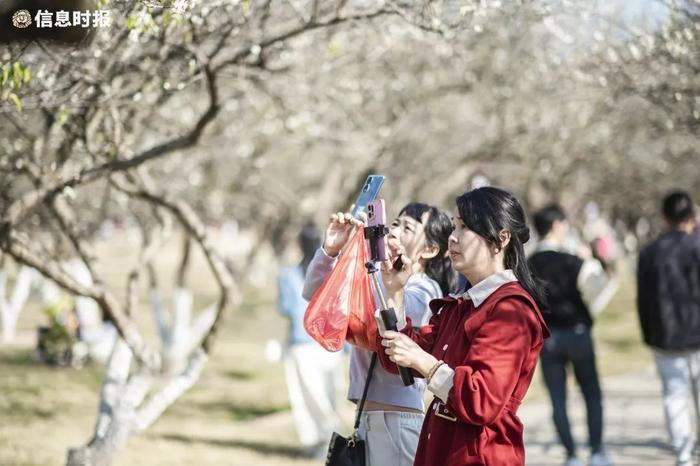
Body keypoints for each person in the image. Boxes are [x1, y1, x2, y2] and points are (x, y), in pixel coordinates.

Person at [377, 187, 549, 466]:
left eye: (466, 227)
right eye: (454, 225)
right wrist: (395, 292)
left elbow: (481, 399)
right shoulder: (462, 305)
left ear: (501, 238)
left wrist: (426, 363)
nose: (453, 237)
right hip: (442, 450)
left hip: (481, 455)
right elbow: (395, 359)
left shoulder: (511, 309)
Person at [302, 202, 458, 466]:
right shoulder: (376, 280)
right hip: (367, 417)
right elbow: (316, 295)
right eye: (394, 223)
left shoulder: (426, 290)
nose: (394, 231)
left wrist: (364, 253)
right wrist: (332, 251)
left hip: (398, 421)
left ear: (430, 250)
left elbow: (381, 315)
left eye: (408, 227)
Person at [529, 204, 618, 466]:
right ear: (556, 225)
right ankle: (597, 451)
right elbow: (599, 286)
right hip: (577, 332)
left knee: (557, 398)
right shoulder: (572, 259)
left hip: (547, 337)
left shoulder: (527, 264)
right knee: (591, 392)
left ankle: (570, 455)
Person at [637, 190, 700, 466]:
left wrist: (648, 333)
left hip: (665, 335)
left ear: (664, 218)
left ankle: (683, 455)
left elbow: (643, 298)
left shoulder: (650, 253)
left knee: (674, 395)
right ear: (692, 216)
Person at [278, 222, 343, 458]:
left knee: (306, 396)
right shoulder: (333, 275)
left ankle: (321, 442)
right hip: (330, 344)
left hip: (301, 341)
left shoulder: (288, 275)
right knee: (328, 395)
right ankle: (331, 442)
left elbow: (285, 307)